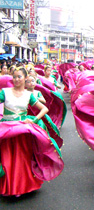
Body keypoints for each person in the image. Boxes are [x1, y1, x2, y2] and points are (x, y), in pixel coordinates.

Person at [0, 67, 63, 196]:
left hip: (23, 130)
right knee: (7, 158)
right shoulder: (4, 92)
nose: (16, 79)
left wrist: (34, 120)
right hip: (7, 130)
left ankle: (21, 186)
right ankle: (9, 186)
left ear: (24, 78)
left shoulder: (29, 95)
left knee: (22, 158)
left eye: (19, 77)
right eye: (14, 76)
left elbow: (44, 109)